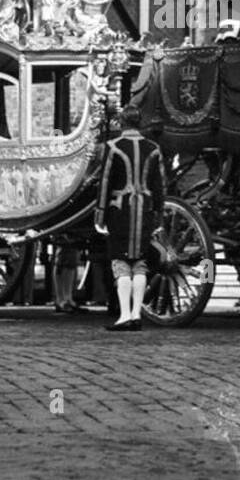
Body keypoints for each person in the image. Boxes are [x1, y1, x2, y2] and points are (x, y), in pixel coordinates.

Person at [95, 103, 165, 331]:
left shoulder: (113, 146)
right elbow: (160, 185)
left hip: (120, 210)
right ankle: (136, 314)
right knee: (140, 263)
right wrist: (159, 214)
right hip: (145, 210)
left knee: (121, 261)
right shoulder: (153, 148)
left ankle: (125, 314)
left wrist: (100, 214)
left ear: (122, 122)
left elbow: (105, 183)